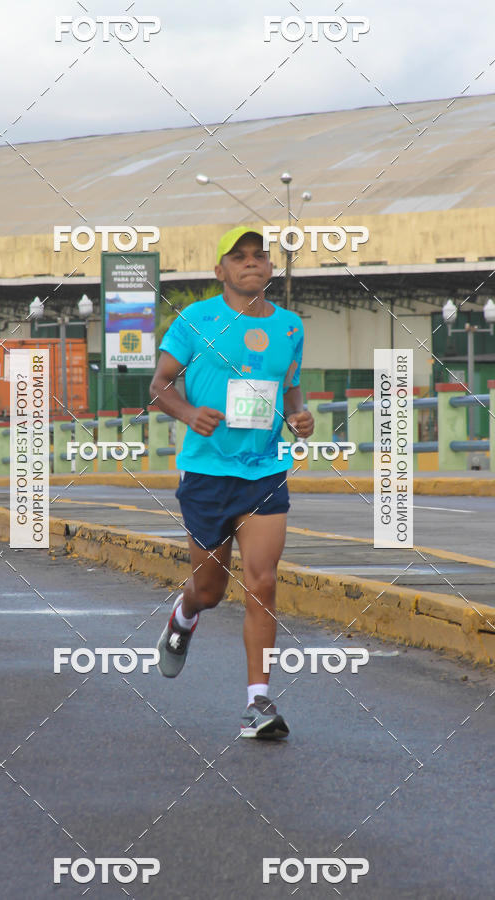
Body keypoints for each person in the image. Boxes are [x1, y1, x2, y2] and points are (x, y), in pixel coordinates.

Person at [149, 225, 314, 739]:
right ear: (220, 270)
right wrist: (188, 412)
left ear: (271, 268)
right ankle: (184, 616)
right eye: (238, 256)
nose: (251, 263)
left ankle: (257, 702)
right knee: (210, 590)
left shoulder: (290, 327)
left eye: (259, 256)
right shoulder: (195, 320)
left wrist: (299, 416)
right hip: (206, 472)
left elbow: (290, 389)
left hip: (263, 471)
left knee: (262, 581)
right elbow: (159, 386)